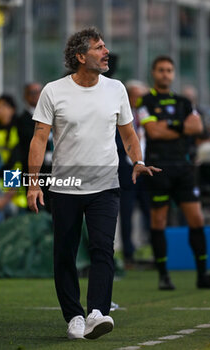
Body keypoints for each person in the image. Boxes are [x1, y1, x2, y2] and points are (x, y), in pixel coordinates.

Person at [27, 27, 160, 340]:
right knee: (65, 254)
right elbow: (39, 138)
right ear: (80, 56)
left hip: (105, 185)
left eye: (105, 47)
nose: (106, 53)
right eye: (99, 48)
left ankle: (97, 312)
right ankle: (73, 316)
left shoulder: (116, 89)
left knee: (103, 249)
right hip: (64, 186)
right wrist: (33, 184)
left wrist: (137, 160)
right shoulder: (53, 91)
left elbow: (128, 134)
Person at [137, 55, 210, 290]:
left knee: (196, 219)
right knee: (159, 221)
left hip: (183, 168)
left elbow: (198, 127)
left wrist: (168, 125)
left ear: (174, 74)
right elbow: (153, 131)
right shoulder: (145, 101)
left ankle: (202, 274)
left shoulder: (183, 101)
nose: (165, 74)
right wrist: (181, 127)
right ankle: (163, 276)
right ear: (153, 72)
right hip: (158, 167)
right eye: (161, 70)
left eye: (169, 70)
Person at [116, 80, 150, 267]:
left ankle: (151, 249)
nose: (139, 100)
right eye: (136, 96)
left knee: (150, 211)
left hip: (146, 171)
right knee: (126, 214)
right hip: (127, 171)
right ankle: (128, 252)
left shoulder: (146, 116)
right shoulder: (120, 117)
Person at [18, 83, 53, 212]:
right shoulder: (22, 121)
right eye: (33, 93)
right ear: (25, 96)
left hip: (51, 174)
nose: (37, 96)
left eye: (39, 92)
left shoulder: (50, 116)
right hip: (32, 173)